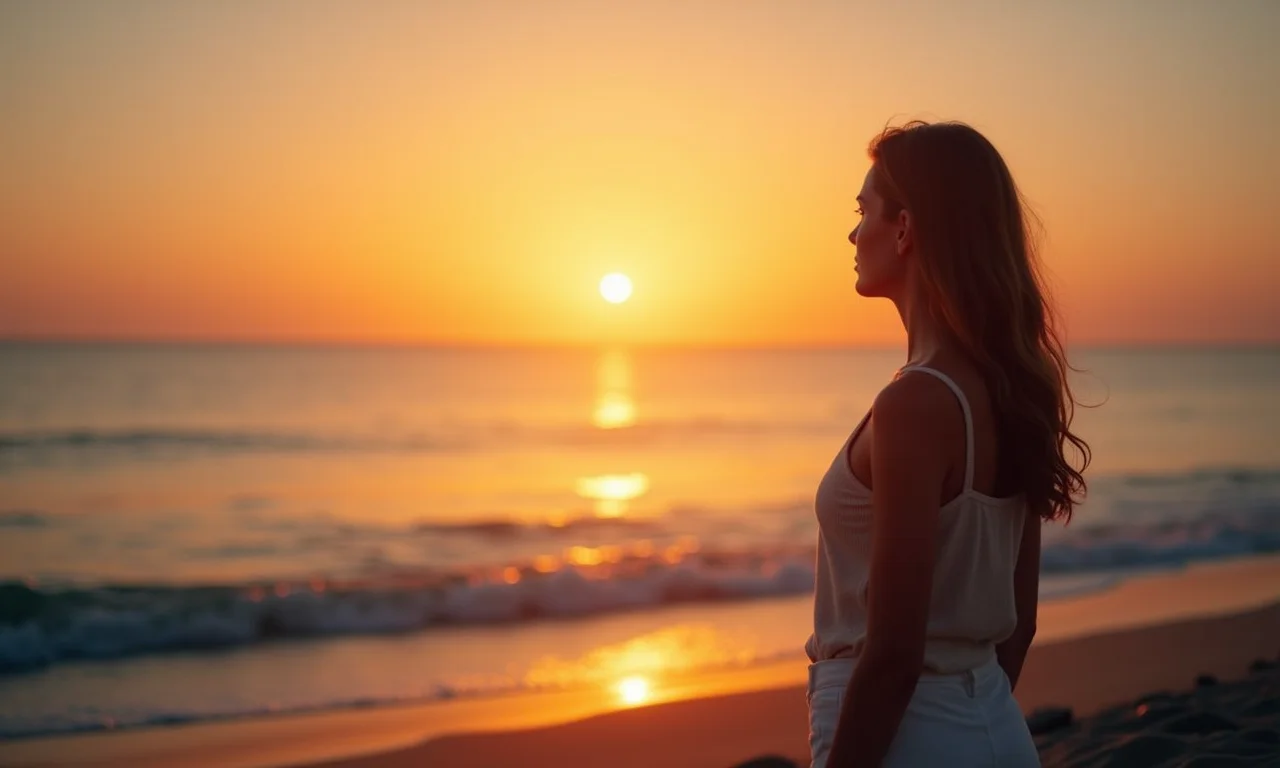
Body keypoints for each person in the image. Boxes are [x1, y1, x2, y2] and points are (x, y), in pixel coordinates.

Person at [805, 120, 1090, 767]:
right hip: (992, 721)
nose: (854, 233)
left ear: (904, 229)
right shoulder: (1011, 389)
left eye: (864, 211)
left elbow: (894, 655)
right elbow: (1020, 623)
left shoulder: (912, 406)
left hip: (904, 738)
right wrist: (970, 721)